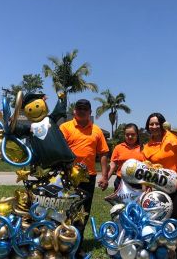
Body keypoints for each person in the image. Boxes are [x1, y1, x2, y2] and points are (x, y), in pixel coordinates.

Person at [59, 99, 109, 258]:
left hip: (88, 178)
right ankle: (61, 244)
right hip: (67, 177)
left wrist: (105, 176)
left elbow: (103, 154)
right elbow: (58, 150)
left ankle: (77, 247)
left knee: (82, 212)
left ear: (90, 112)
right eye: (79, 108)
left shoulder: (97, 130)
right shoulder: (65, 127)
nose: (82, 111)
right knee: (63, 211)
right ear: (74, 111)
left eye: (85, 109)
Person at [142, 112, 177, 246]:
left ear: (163, 124)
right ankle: (165, 243)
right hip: (161, 187)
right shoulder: (147, 147)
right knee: (163, 216)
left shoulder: (174, 137)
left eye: (157, 123)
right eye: (151, 124)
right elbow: (147, 170)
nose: (154, 126)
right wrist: (146, 188)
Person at [108, 123, 145, 191]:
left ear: (137, 135)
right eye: (127, 135)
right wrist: (105, 179)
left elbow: (146, 169)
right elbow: (112, 165)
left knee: (136, 202)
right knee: (120, 202)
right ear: (124, 135)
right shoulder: (118, 148)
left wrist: (145, 186)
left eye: (133, 134)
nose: (130, 136)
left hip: (137, 183)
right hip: (120, 182)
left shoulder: (144, 148)